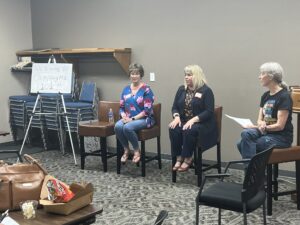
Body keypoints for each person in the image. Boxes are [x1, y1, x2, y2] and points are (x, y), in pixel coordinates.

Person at [237, 62, 293, 159]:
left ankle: (252, 173)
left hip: (281, 137)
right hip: (266, 132)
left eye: (262, 74)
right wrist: (259, 124)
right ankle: (254, 173)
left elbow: (280, 126)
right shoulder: (265, 96)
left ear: (271, 77)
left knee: (244, 144)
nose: (260, 77)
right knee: (245, 133)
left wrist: (262, 127)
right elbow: (260, 119)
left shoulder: (284, 96)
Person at [169, 65, 218, 172]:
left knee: (189, 129)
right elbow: (175, 107)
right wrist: (176, 117)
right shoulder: (181, 89)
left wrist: (193, 119)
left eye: (189, 75)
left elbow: (209, 112)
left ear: (197, 76)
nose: (186, 77)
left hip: (202, 123)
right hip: (184, 120)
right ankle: (179, 156)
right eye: (185, 75)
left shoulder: (206, 91)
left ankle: (187, 157)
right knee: (173, 128)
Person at [114, 63, 155, 164]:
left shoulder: (146, 90)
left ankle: (136, 151)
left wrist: (132, 119)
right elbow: (122, 107)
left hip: (144, 119)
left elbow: (147, 111)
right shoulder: (126, 89)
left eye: (136, 73)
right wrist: (123, 115)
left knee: (127, 127)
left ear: (141, 75)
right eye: (132, 73)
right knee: (117, 126)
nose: (134, 76)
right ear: (129, 75)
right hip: (128, 118)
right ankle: (126, 149)